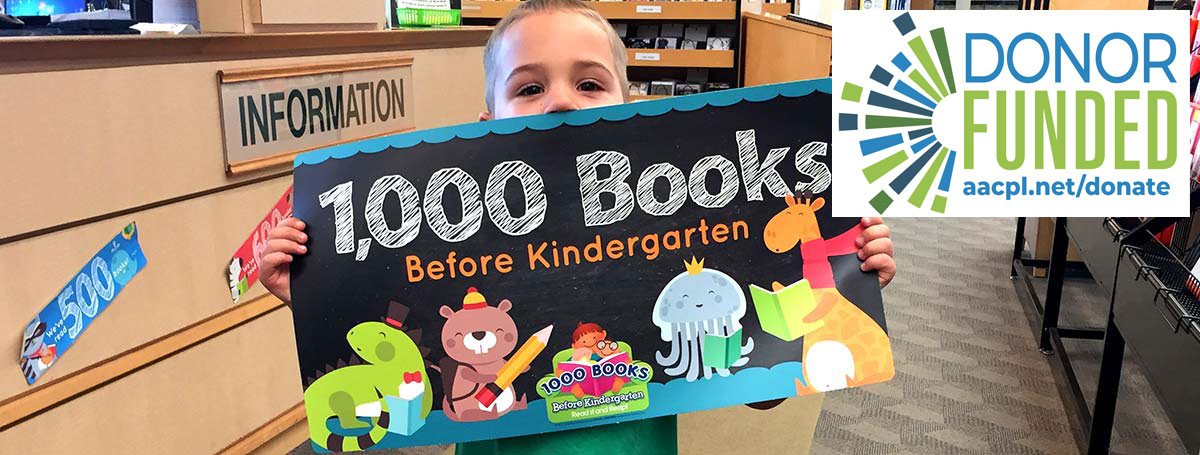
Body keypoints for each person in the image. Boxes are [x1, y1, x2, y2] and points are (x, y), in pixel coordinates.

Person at [260, 0, 897, 453]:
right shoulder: (455, 241)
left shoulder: (675, 229)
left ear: (632, 108)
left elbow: (761, 387)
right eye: (529, 87)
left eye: (589, 83)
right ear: (486, 124)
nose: (561, 99)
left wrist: (845, 275)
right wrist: (317, 299)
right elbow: (407, 390)